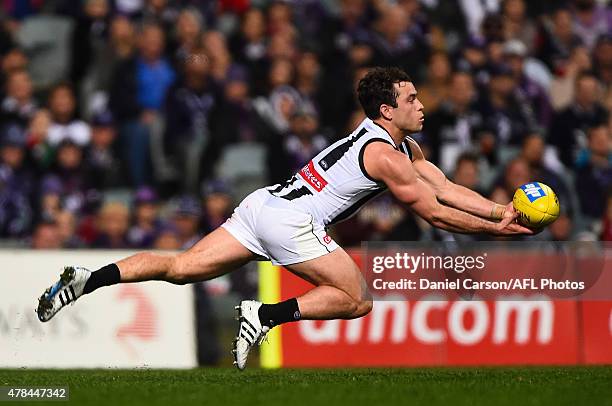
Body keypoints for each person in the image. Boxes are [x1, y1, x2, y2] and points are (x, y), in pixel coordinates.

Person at [35, 67, 531, 370]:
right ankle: (264, 315)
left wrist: (499, 210)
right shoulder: (385, 156)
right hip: (291, 221)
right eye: (412, 100)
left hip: (263, 204)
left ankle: (87, 279)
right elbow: (433, 214)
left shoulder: (398, 145)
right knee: (357, 300)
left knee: (181, 267)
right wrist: (498, 233)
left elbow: (443, 187)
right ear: (387, 108)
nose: (422, 106)